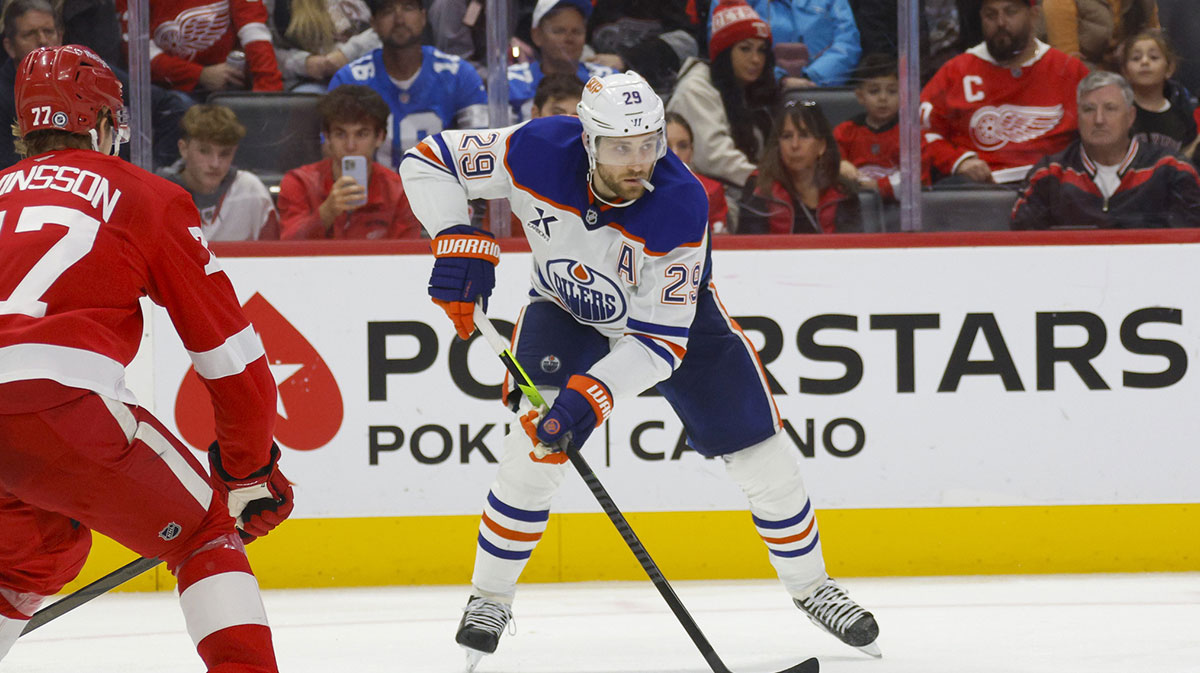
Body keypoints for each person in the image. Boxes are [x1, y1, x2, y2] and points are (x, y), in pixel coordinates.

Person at [399, 70, 881, 671]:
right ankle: (489, 598)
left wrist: (587, 400)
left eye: (649, 143)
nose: (639, 161)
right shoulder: (536, 148)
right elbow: (426, 161)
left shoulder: (680, 203)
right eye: (621, 147)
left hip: (676, 327)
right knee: (531, 454)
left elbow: (657, 345)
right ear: (587, 141)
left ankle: (812, 589)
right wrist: (453, 237)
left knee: (765, 457)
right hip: (564, 309)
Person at [0, 45, 294, 670]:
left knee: (32, 557)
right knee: (204, 535)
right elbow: (228, 355)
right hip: (59, 401)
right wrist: (247, 470)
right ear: (105, 125)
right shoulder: (144, 195)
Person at [0, 0, 193, 170]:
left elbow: (169, 106)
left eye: (48, 31)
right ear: (9, 46)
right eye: (30, 34)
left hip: (109, 184)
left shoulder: (91, 70)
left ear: (60, 36)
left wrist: (154, 169)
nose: (42, 40)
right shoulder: (3, 95)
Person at [920, 0, 1091, 186]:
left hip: (1052, 185)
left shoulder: (1069, 70)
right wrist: (956, 161)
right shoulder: (956, 72)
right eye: (991, 15)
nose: (1001, 22)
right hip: (980, 188)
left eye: (1011, 12)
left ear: (1034, 15)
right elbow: (918, 131)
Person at [1012, 70, 1200, 229]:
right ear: (1077, 116)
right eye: (1089, 109)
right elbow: (1021, 248)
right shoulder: (1049, 174)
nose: (1099, 119)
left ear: (1130, 116)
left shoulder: (1171, 170)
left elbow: (1190, 247)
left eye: (1110, 109)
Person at [328, 0, 488, 170]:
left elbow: (478, 155)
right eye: (388, 10)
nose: (399, 20)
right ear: (373, 24)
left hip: (443, 193)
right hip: (374, 194)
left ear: (423, 17)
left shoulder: (460, 75)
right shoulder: (349, 81)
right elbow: (334, 158)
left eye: (408, 8)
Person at [667, 0, 779, 205]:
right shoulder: (695, 89)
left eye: (761, 50)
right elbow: (713, 157)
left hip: (743, 193)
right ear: (725, 53)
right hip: (701, 200)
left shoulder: (752, 89)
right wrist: (767, 180)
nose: (756, 59)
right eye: (745, 49)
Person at [278, 84, 420, 239]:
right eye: (340, 134)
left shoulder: (400, 192)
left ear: (380, 137)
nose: (350, 146)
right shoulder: (299, 183)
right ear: (328, 137)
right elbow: (287, 249)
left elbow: (407, 257)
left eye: (361, 134)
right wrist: (326, 213)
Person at [159, 104, 279, 241]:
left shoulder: (251, 190)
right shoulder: (159, 193)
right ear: (184, 149)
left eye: (225, 153)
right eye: (204, 151)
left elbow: (275, 257)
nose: (215, 164)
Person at [741, 100, 862, 233]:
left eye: (804, 135)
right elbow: (750, 248)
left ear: (821, 146)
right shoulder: (759, 188)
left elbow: (851, 249)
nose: (795, 145)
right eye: (787, 136)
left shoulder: (843, 191)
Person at [116, 0, 284, 94]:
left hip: (228, 85)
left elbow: (254, 31)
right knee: (178, 107)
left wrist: (268, 89)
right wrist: (200, 75)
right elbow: (138, 55)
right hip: (166, 90)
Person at [507, 0, 615, 122]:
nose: (569, 38)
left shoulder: (609, 81)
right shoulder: (510, 82)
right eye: (559, 31)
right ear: (536, 35)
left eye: (576, 31)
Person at [710, 0, 862, 87]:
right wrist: (779, 79)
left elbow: (848, 43)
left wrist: (811, 78)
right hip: (757, 93)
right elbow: (723, 47)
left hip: (818, 93)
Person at [268, 0, 380, 91]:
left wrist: (347, 53)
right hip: (311, 82)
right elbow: (267, 53)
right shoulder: (280, 5)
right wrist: (305, 63)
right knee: (308, 95)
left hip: (370, 72)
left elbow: (389, 30)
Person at [834, 53, 903, 198]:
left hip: (898, 209)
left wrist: (880, 186)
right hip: (854, 204)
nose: (883, 98)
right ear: (860, 96)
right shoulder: (845, 131)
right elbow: (827, 159)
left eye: (892, 91)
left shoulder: (910, 133)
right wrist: (840, 164)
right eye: (874, 91)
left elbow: (917, 175)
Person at [1119, 30, 1198, 157]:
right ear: (1125, 71)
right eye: (1136, 58)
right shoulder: (1119, 112)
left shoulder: (1182, 113)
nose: (1144, 62)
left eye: (1154, 57)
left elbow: (1187, 157)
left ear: (1169, 69)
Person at [1040, 0, 1158, 72]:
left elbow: (1156, 44)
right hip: (1088, 80)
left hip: (1133, 72)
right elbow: (1068, 66)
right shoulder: (1058, 2)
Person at [666, 110, 730, 233]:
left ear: (692, 151)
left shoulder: (711, 192)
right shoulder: (634, 190)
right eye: (666, 146)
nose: (675, 154)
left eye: (683, 146)